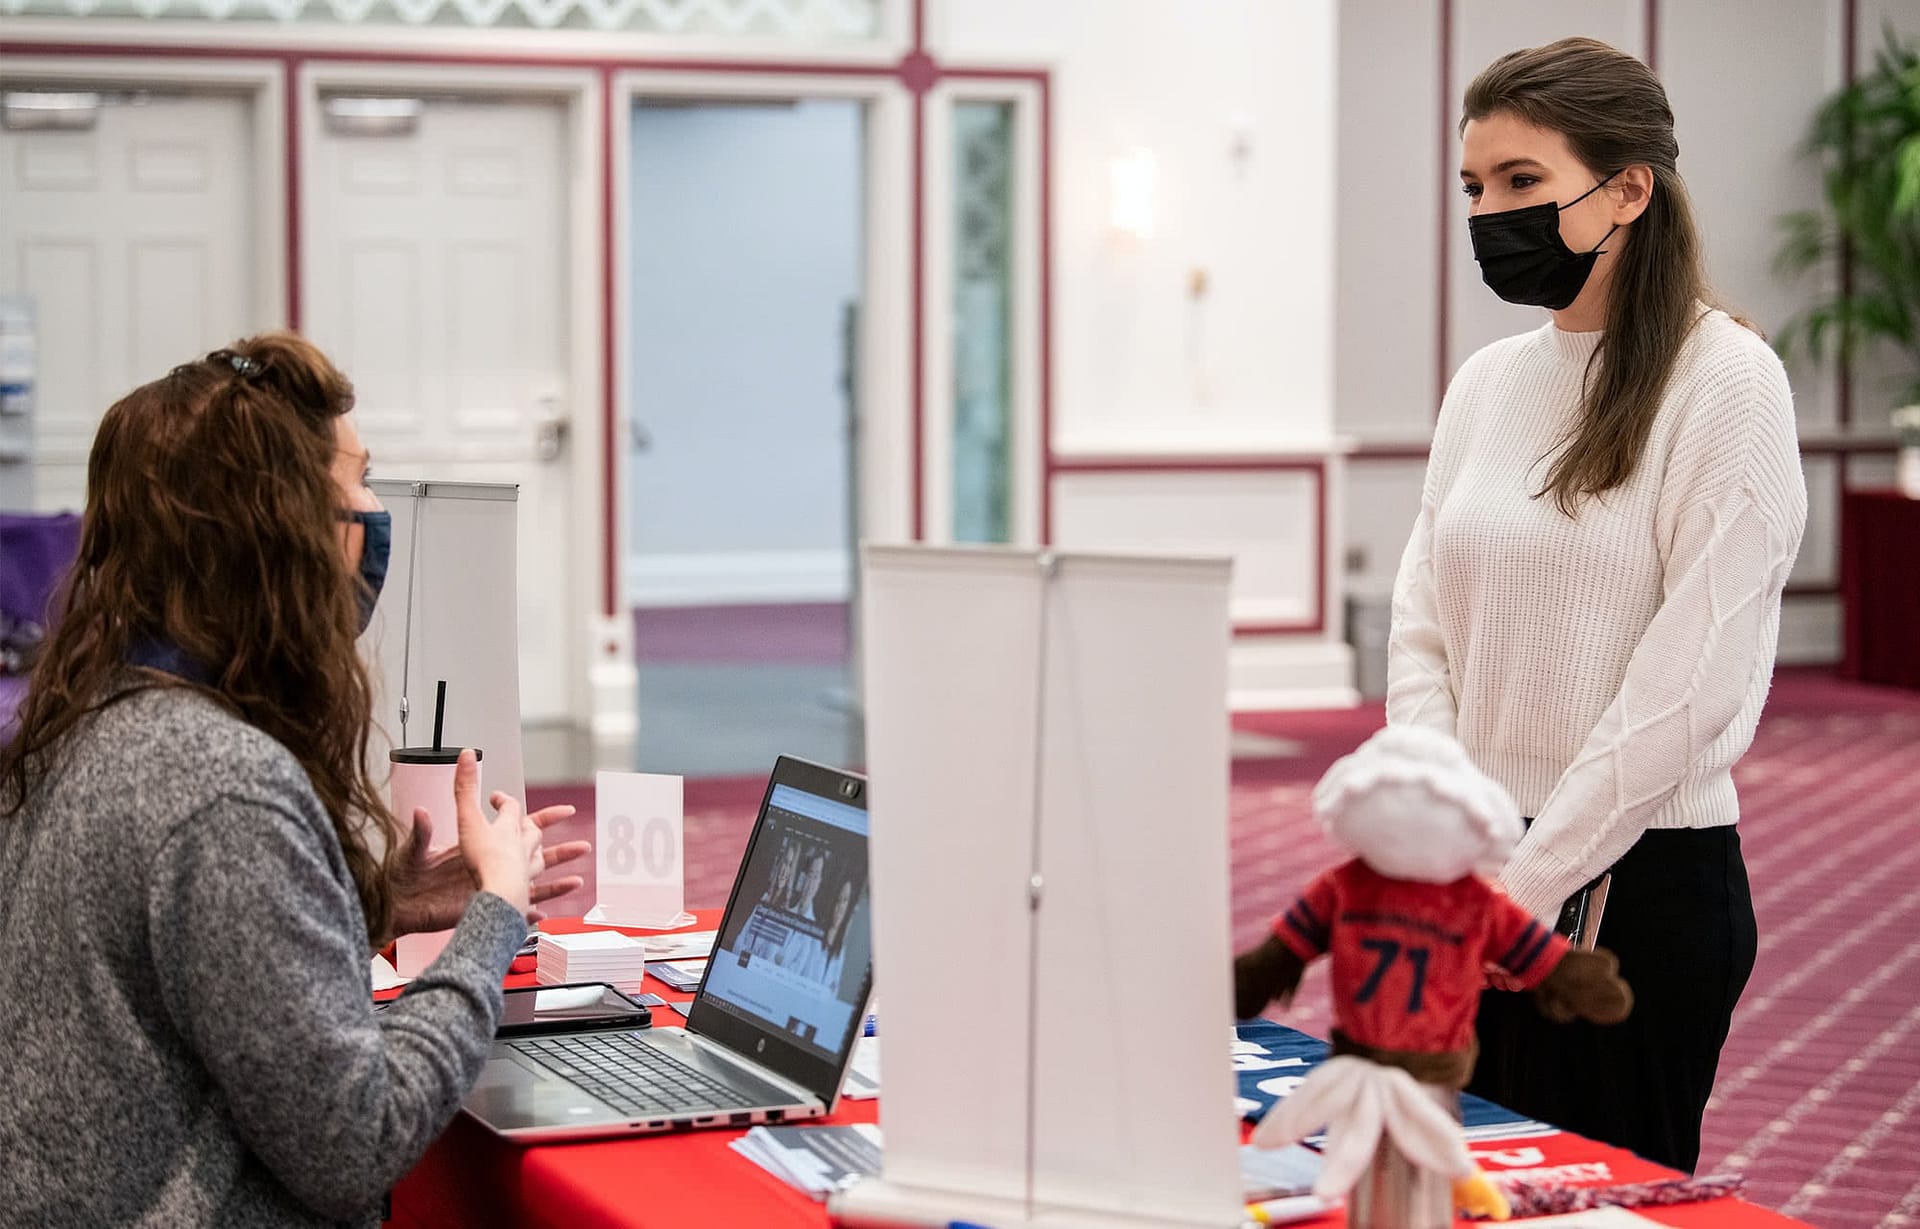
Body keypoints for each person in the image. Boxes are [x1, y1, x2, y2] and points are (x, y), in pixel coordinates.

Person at [0, 333, 588, 1226]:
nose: (374, 510)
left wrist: (362, 905)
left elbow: (183, 982)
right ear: (278, 528)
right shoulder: (221, 786)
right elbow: (357, 1142)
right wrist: (493, 920)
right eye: (358, 480)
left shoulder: (87, 718)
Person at [1386, 38, 1806, 1173]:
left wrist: (1520, 889)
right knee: (1455, 1186)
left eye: (1523, 182)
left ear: (1628, 188)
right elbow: (1421, 620)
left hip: (1635, 894)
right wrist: (1446, 831)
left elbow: (1687, 686)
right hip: (1467, 877)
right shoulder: (1486, 383)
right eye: (1475, 188)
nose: (1489, 213)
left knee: (1589, 1196)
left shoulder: (1725, 380)